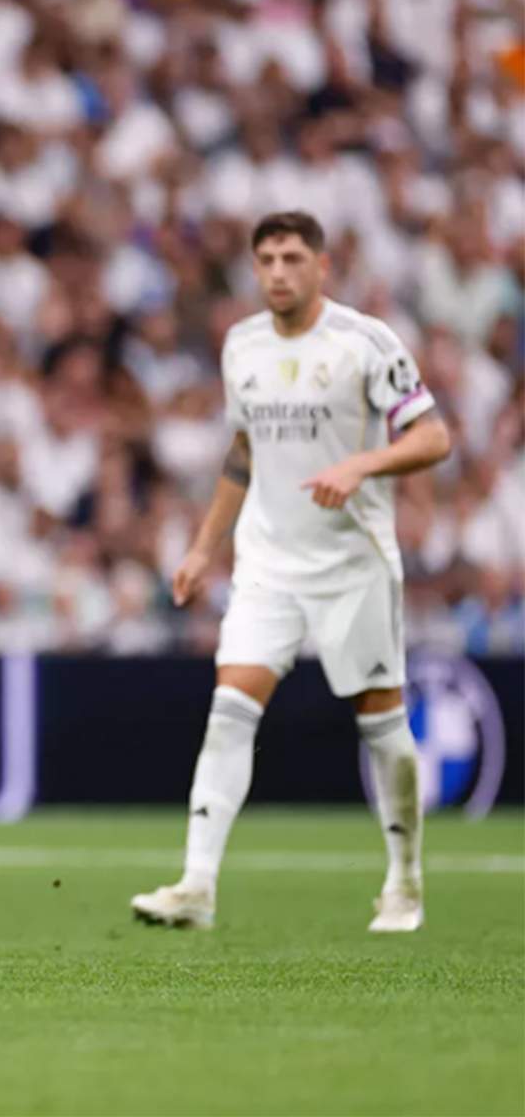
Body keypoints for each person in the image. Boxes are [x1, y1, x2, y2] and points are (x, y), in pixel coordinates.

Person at [132, 210, 452, 933]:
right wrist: (202, 548)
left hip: (353, 563)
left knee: (383, 726)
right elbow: (243, 454)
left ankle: (404, 880)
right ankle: (197, 885)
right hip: (267, 562)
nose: (278, 272)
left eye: (292, 258)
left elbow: (434, 436)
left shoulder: (365, 343)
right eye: (267, 259)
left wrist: (364, 462)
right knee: (228, 712)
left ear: (322, 266)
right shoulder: (240, 345)